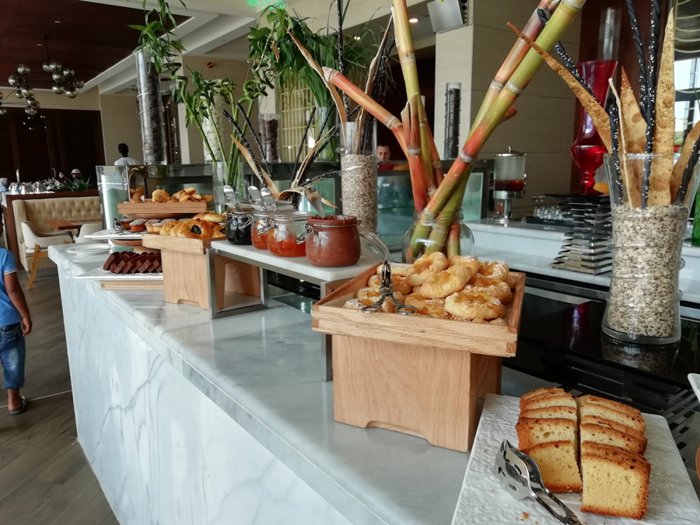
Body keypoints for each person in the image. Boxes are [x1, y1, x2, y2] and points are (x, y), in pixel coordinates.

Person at [0, 247, 32, 415]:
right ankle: (14, 402)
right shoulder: (4, 255)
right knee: (12, 363)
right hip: (7, 321)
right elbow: (12, 290)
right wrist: (25, 315)